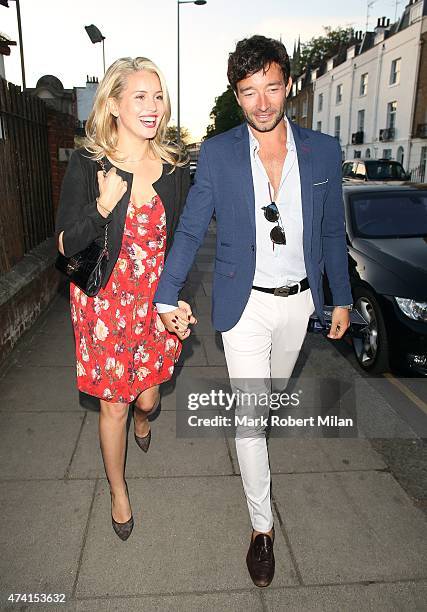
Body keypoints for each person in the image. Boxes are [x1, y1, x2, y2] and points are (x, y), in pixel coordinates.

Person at [154, 36, 352, 586]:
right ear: (237, 97)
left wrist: (341, 297)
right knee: (249, 418)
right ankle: (261, 529)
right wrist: (165, 294)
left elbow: (332, 231)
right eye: (248, 92)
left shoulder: (322, 151)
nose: (262, 103)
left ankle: (255, 448)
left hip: (300, 303)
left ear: (287, 84)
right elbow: (192, 228)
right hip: (244, 307)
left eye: (271, 87)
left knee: (264, 410)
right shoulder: (217, 154)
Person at [55, 57, 195, 541]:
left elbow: (180, 243)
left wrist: (177, 301)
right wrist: (101, 207)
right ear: (114, 103)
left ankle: (143, 414)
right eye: (140, 96)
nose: (153, 106)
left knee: (148, 399)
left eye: (158, 96)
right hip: (104, 308)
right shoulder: (89, 163)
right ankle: (118, 491)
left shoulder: (175, 168)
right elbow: (65, 244)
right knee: (112, 406)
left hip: (153, 305)